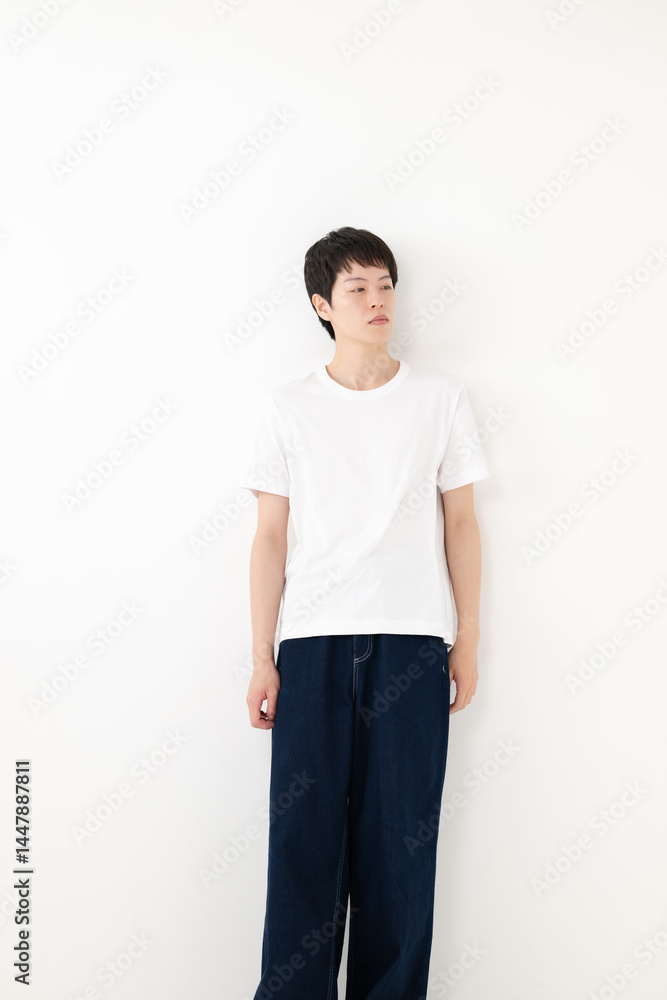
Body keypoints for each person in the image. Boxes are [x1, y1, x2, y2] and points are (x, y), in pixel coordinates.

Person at [241, 226, 490, 1000]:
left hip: (411, 640)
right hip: (311, 645)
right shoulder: (287, 407)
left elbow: (460, 523)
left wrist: (466, 639)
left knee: (400, 846)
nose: (377, 300)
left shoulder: (439, 398)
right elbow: (269, 536)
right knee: (303, 842)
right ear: (323, 305)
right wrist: (261, 656)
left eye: (384, 285)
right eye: (357, 288)